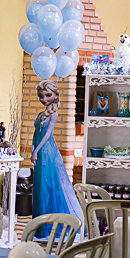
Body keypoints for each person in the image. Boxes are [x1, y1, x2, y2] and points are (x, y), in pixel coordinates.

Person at [32, 79, 84, 221]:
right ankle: (40, 221)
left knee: (48, 183)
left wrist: (36, 151)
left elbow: (47, 135)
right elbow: (36, 134)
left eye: (48, 95)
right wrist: (33, 150)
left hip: (47, 152)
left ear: (55, 95)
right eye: (41, 96)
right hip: (39, 152)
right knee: (40, 185)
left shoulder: (53, 115)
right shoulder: (40, 115)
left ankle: (51, 220)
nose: (44, 99)